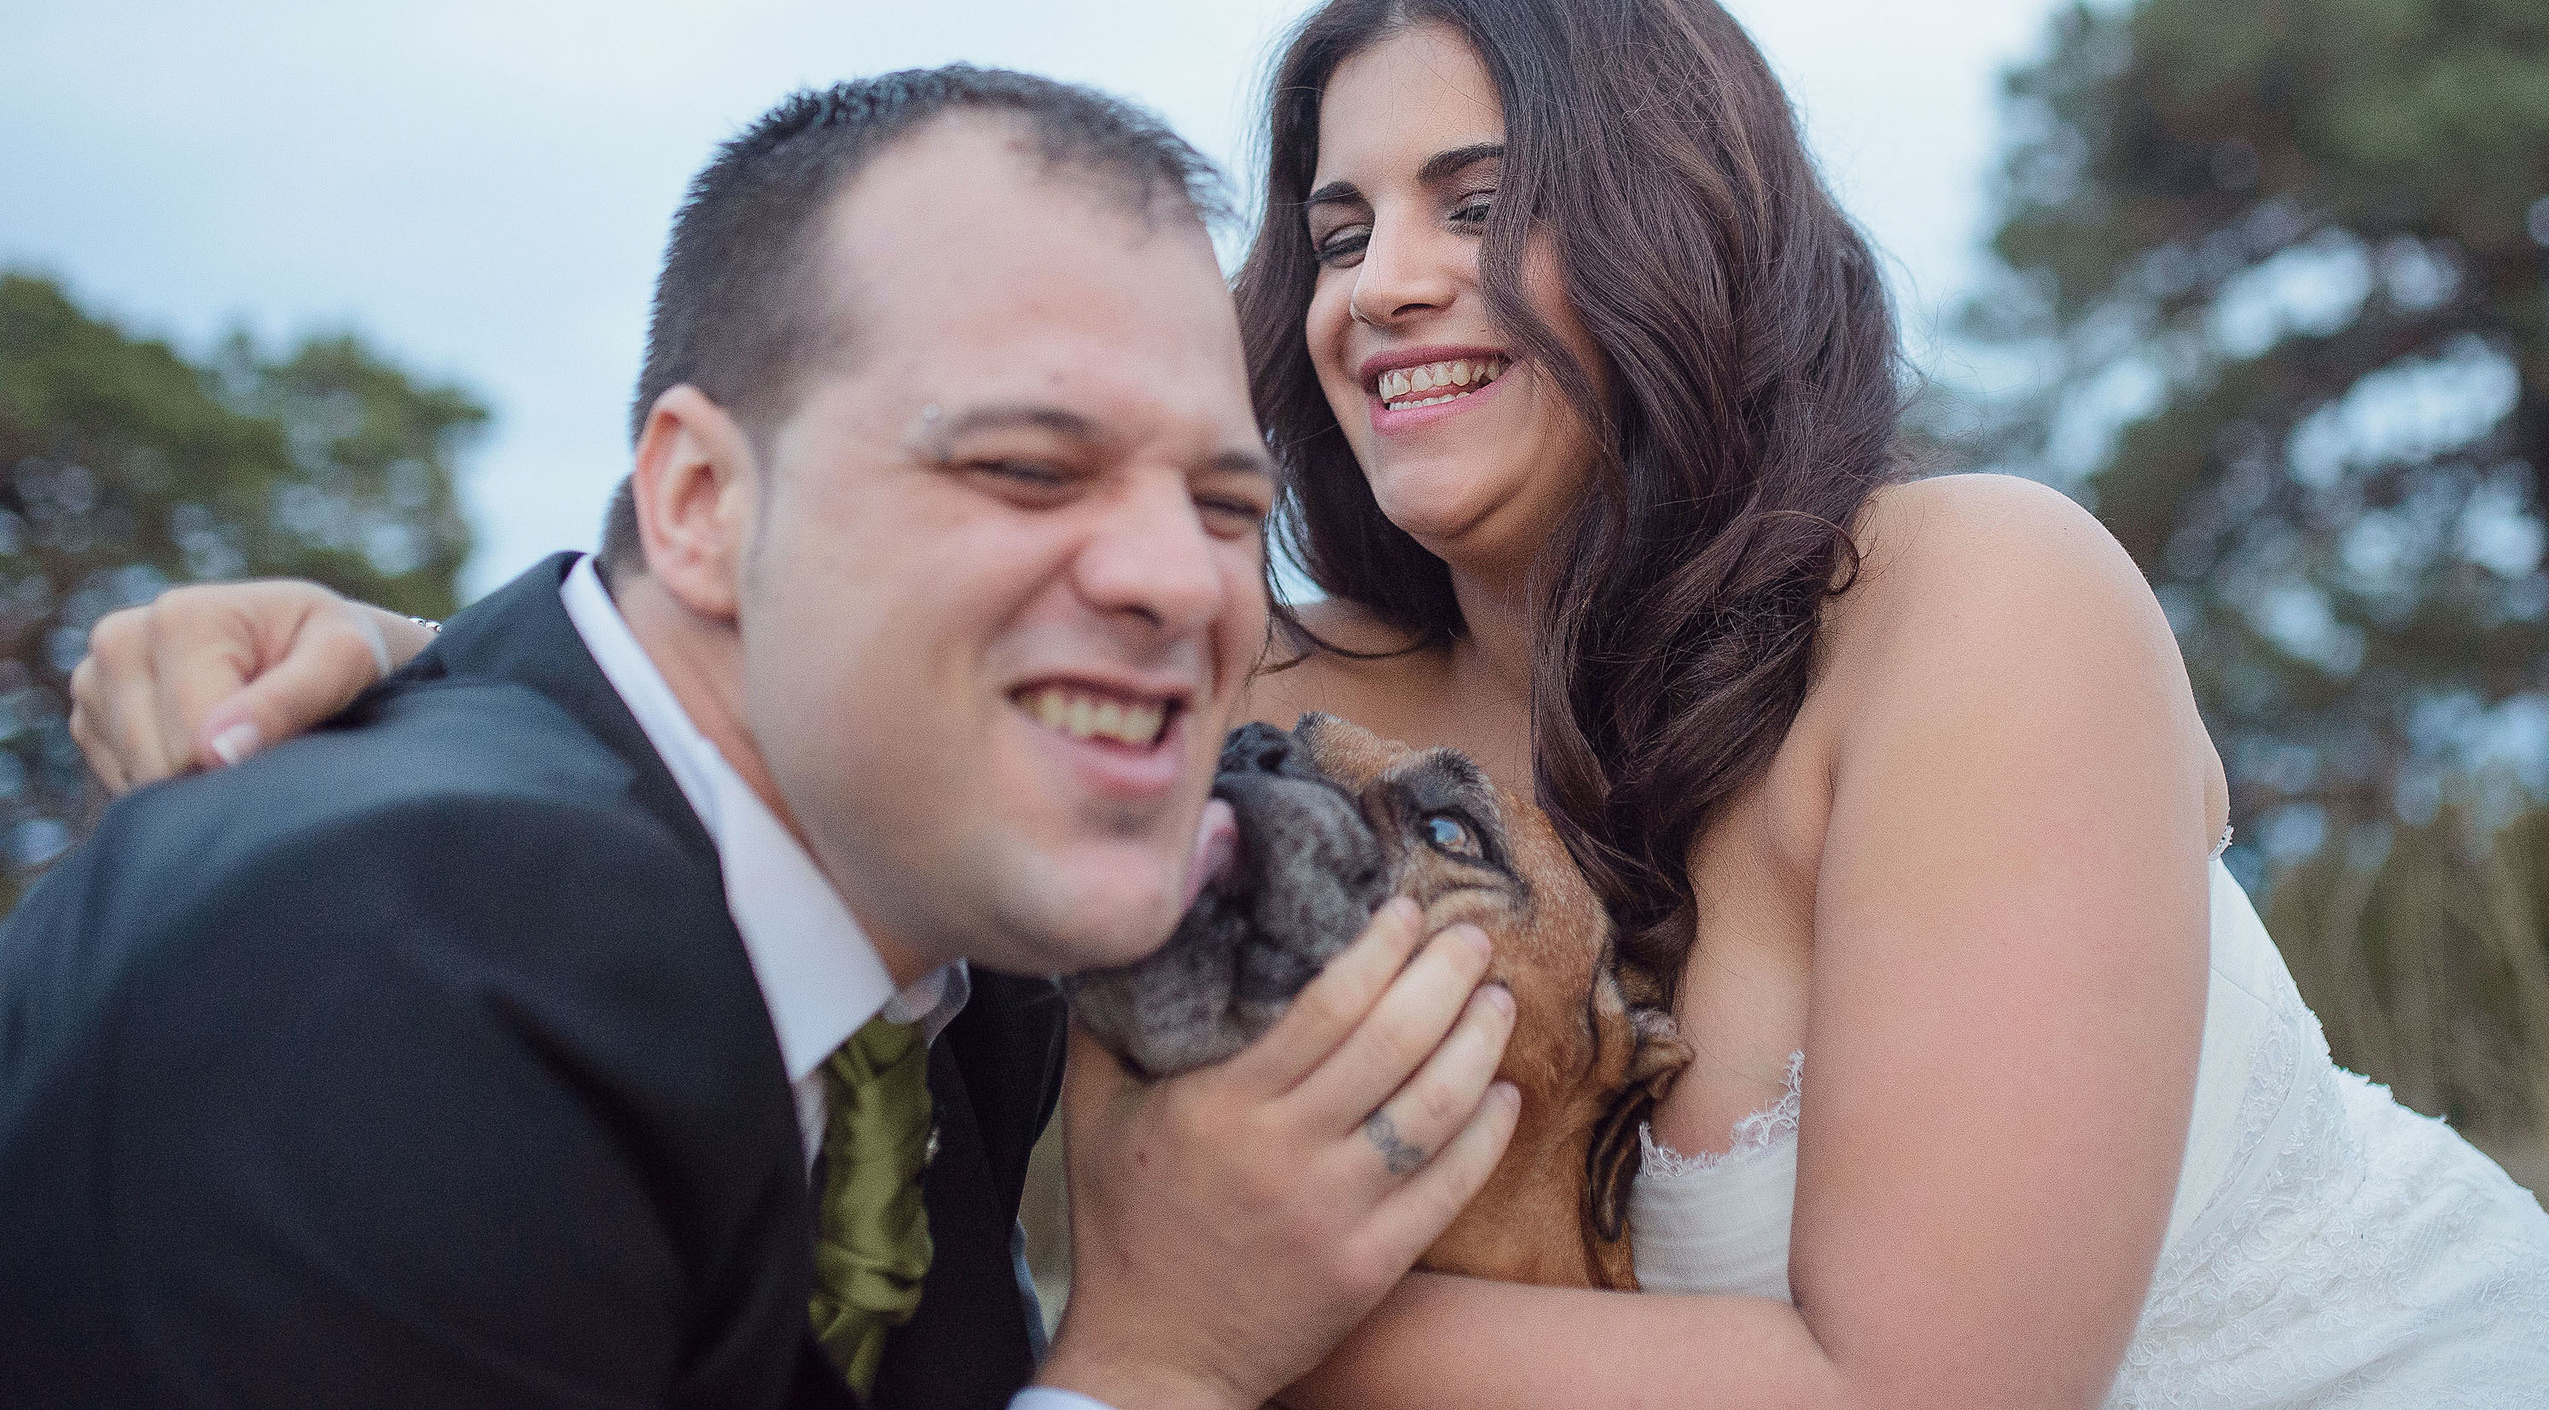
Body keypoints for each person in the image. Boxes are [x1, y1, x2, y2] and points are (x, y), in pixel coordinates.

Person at [66, 0, 2549, 1406]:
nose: (1377, 279)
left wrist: (1192, 1327)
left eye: (1485, 202)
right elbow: (879, 673)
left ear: (1688, 222)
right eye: (1336, 215)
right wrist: (417, 657)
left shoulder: (1966, 592)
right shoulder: (1285, 693)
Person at [2, 68, 1524, 1410]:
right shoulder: (394, 964)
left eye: (1222, 506)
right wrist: (1153, 1373)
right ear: (701, 505)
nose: (1174, 580)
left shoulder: (958, 974)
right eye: (1027, 466)